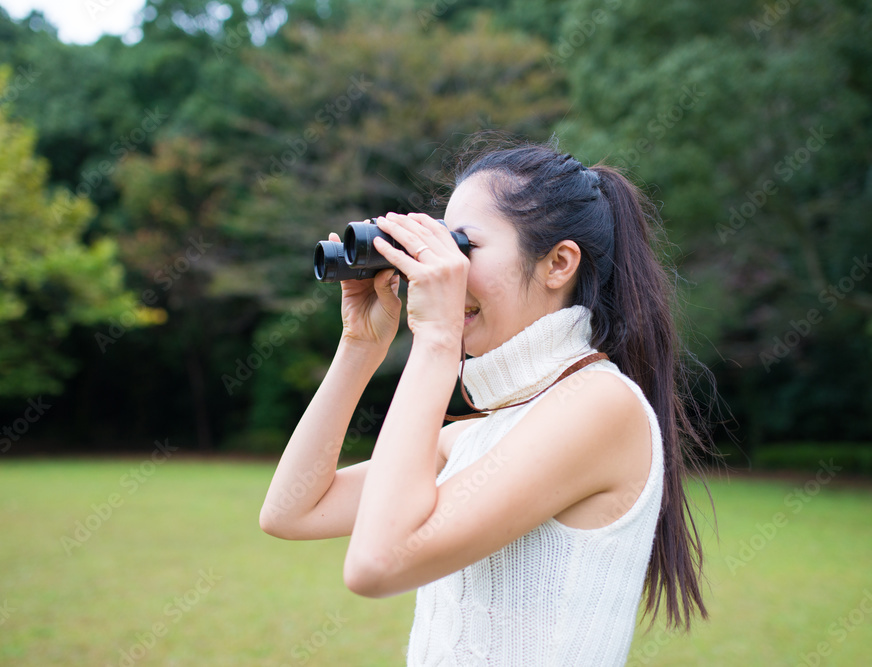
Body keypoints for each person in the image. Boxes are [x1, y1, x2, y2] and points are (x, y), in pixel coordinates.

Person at [259, 140, 714, 665]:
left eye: (463, 247)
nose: (444, 268)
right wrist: (360, 347)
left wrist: (435, 337)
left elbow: (375, 565)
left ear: (559, 263)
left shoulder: (601, 404)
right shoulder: (492, 428)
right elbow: (292, 510)